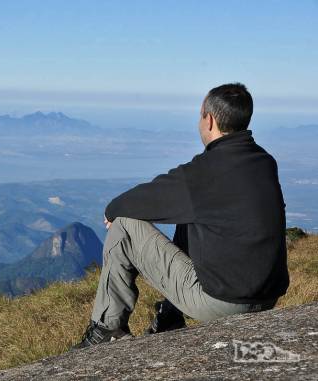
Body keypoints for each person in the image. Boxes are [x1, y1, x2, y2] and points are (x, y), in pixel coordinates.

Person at [73, 83, 289, 349]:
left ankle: (107, 329)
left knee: (124, 227)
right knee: (191, 217)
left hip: (224, 303)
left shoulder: (204, 172)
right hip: (267, 297)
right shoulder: (264, 162)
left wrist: (112, 211)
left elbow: (141, 199)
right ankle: (171, 316)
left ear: (209, 120)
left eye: (200, 115)